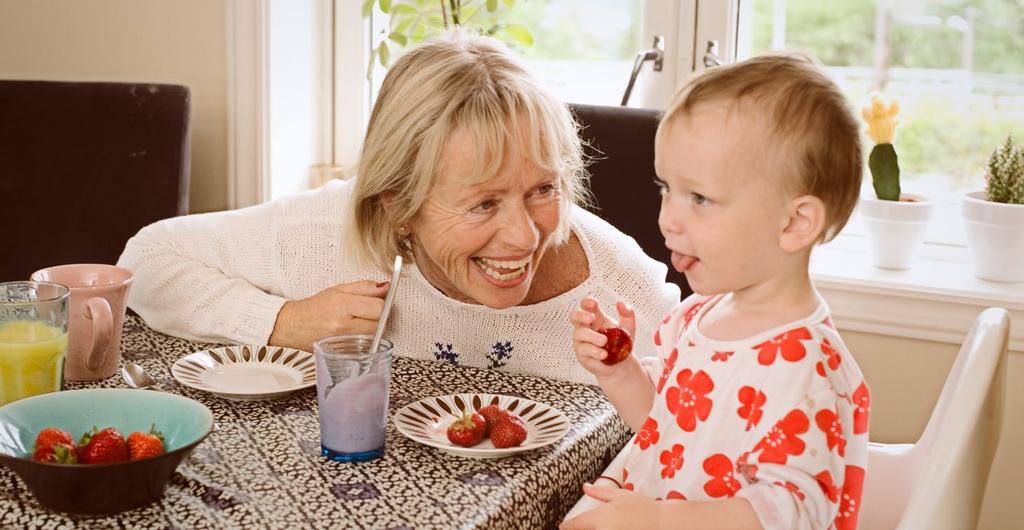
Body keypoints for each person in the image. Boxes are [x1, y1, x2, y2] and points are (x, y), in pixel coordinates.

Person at [116, 29, 680, 385]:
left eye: (543, 190)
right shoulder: (321, 235)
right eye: (484, 204)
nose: (524, 237)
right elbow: (147, 261)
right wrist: (283, 322)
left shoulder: (622, 290)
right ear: (398, 204)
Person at [564, 54, 871, 529]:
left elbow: (789, 511)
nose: (667, 218)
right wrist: (621, 372)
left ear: (795, 223)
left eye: (700, 198)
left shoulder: (807, 369)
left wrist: (658, 521)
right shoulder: (697, 316)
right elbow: (660, 428)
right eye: (666, 188)